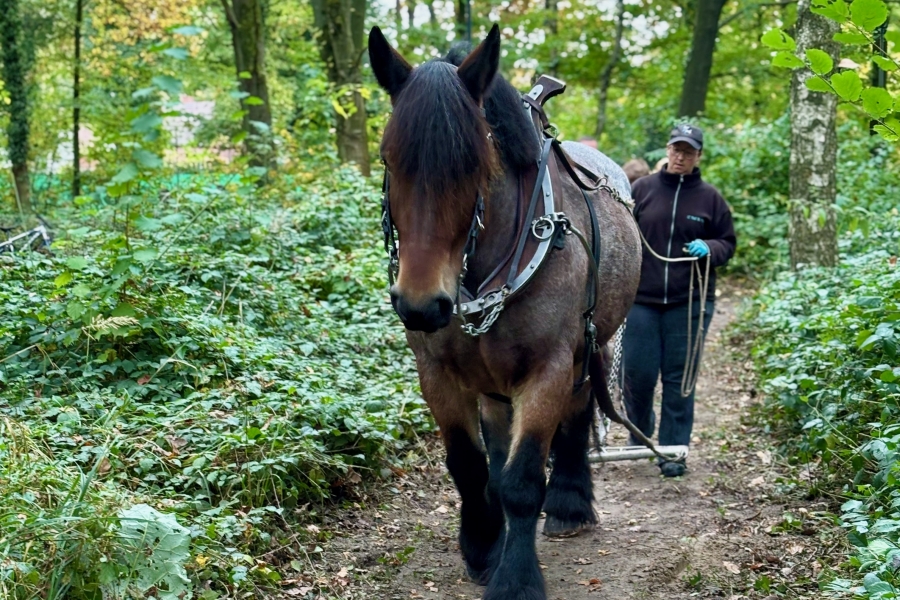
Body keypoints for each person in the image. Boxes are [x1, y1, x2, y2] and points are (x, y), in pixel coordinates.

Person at [623, 123, 736, 478]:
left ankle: (673, 451)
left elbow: (727, 242)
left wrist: (712, 248)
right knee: (638, 376)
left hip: (689, 302)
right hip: (641, 300)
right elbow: (619, 232)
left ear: (698, 156)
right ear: (667, 150)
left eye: (688, 151)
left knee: (678, 380)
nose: (680, 156)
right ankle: (640, 432)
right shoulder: (641, 189)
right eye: (676, 149)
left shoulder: (710, 199)